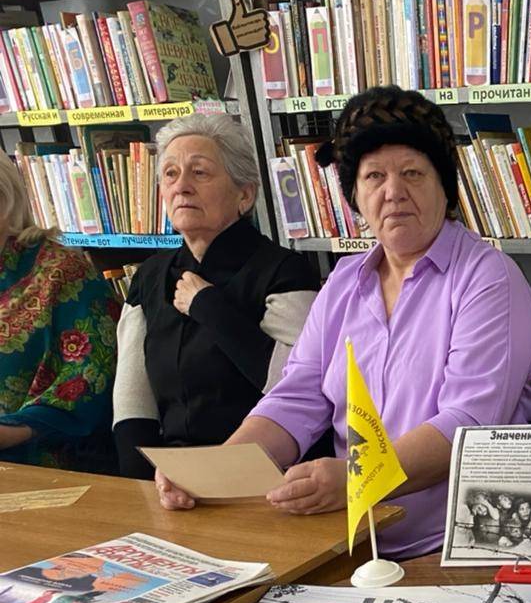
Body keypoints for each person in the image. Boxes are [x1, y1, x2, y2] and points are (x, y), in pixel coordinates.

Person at [153, 87, 531, 560]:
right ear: (355, 197)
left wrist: (355, 479)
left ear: (445, 188)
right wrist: (216, 472)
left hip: (461, 548)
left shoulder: (487, 278)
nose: (393, 191)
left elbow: (468, 424)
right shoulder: (343, 283)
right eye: (374, 176)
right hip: (355, 542)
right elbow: (296, 397)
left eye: (413, 173)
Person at [113, 113, 320, 477]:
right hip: (169, 477)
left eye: (200, 172)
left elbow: (298, 387)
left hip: (264, 471)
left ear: (245, 194)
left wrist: (210, 309)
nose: (182, 187)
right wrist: (141, 488)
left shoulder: (285, 271)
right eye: (170, 174)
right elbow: (132, 400)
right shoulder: (149, 276)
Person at [0, 154, 116, 468]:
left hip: (43, 464)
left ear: (5, 200)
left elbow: (93, 377)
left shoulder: (64, 273)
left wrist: (11, 432)